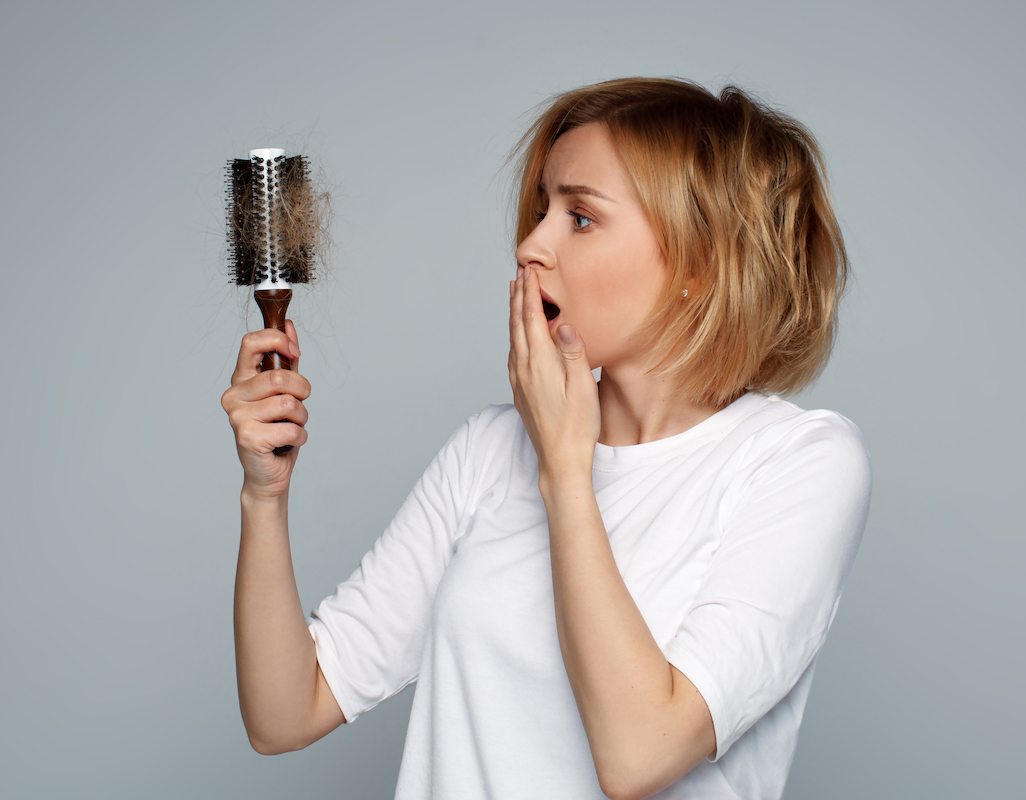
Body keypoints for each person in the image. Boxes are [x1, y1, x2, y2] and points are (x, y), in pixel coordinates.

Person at [220, 77, 872, 800]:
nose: (531, 245)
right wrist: (264, 496)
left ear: (699, 263)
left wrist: (567, 469)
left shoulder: (795, 463)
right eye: (540, 211)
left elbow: (639, 755)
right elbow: (286, 713)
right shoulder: (487, 451)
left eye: (581, 218)